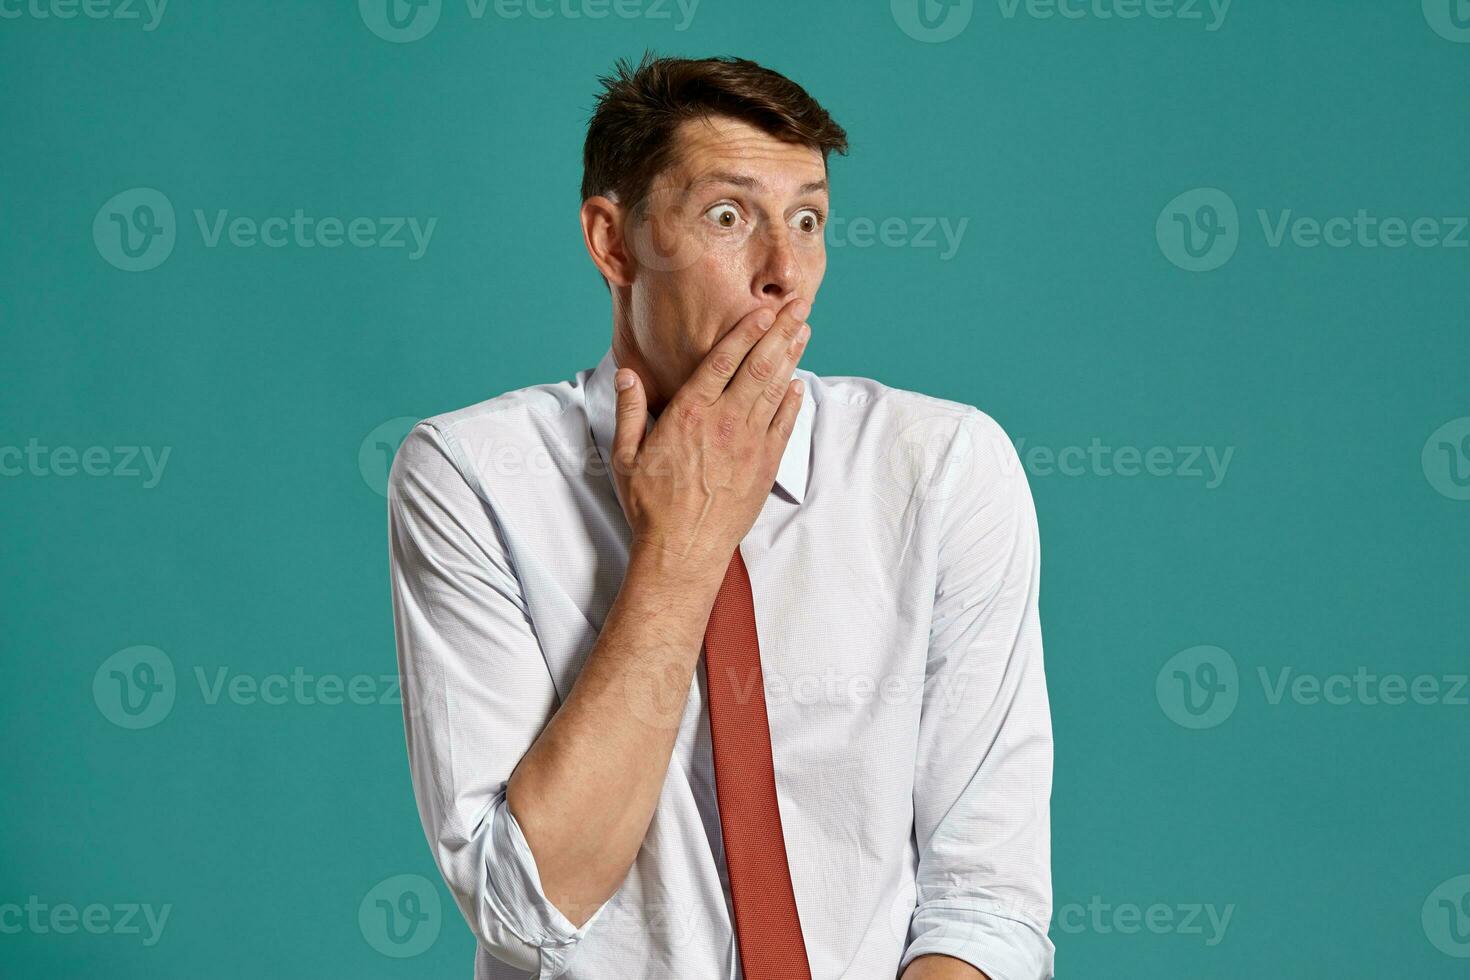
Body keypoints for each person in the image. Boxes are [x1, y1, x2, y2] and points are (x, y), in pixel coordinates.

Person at [387, 52, 1055, 980]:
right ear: (613, 242)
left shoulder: (939, 467)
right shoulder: (473, 475)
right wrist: (682, 547)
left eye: (810, 219)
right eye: (729, 216)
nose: (785, 271)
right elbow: (527, 908)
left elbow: (984, 903)